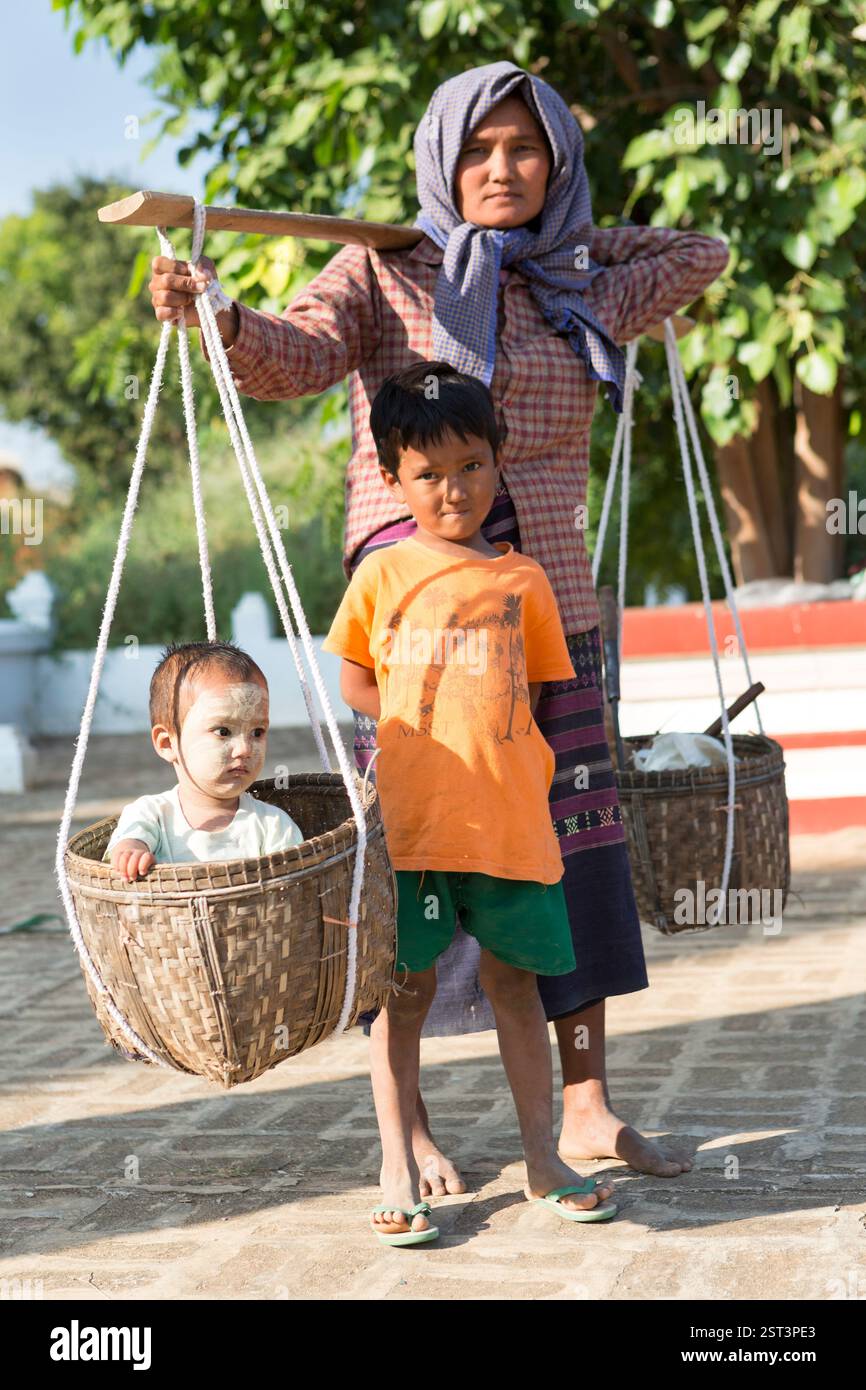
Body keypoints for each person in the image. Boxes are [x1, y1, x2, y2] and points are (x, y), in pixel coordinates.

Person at [148, 59, 729, 1184]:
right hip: (417, 633)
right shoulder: (380, 270)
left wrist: (557, 239)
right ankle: (403, 1123)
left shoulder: (579, 287)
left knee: (568, 860)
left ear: (555, 162)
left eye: (525, 150)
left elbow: (695, 254)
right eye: (475, 152)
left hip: (546, 612)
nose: (498, 169)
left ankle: (585, 1106)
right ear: (439, 162)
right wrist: (216, 310)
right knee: (410, 868)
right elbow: (296, 353)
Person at [323, 361, 618, 1242]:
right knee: (402, 992)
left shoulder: (524, 579)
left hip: (511, 827)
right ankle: (396, 1163)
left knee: (517, 985)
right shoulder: (383, 574)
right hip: (415, 828)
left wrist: (486, 741)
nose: (453, 490)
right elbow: (355, 683)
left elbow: (533, 692)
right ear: (391, 480)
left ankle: (543, 1157)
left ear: (499, 459)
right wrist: (424, 731)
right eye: (428, 473)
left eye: (471, 466)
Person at [104, 640, 304, 877]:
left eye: (257, 732)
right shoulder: (151, 815)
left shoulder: (272, 825)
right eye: (223, 732)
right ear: (168, 743)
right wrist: (132, 852)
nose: (244, 749)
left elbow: (294, 886)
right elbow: (126, 845)